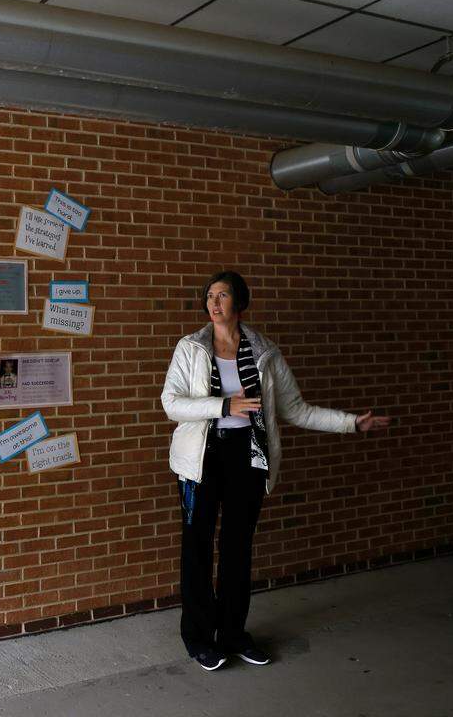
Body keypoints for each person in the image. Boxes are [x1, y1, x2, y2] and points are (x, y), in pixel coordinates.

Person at [160, 271, 390, 672]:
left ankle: (232, 633)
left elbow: (296, 409)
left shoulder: (265, 352)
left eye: (223, 295)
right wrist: (222, 406)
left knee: (237, 550)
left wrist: (352, 422)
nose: (214, 303)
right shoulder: (191, 348)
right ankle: (199, 638)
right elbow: (171, 403)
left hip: (248, 460)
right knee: (196, 550)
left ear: (240, 303)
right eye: (209, 296)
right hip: (201, 459)